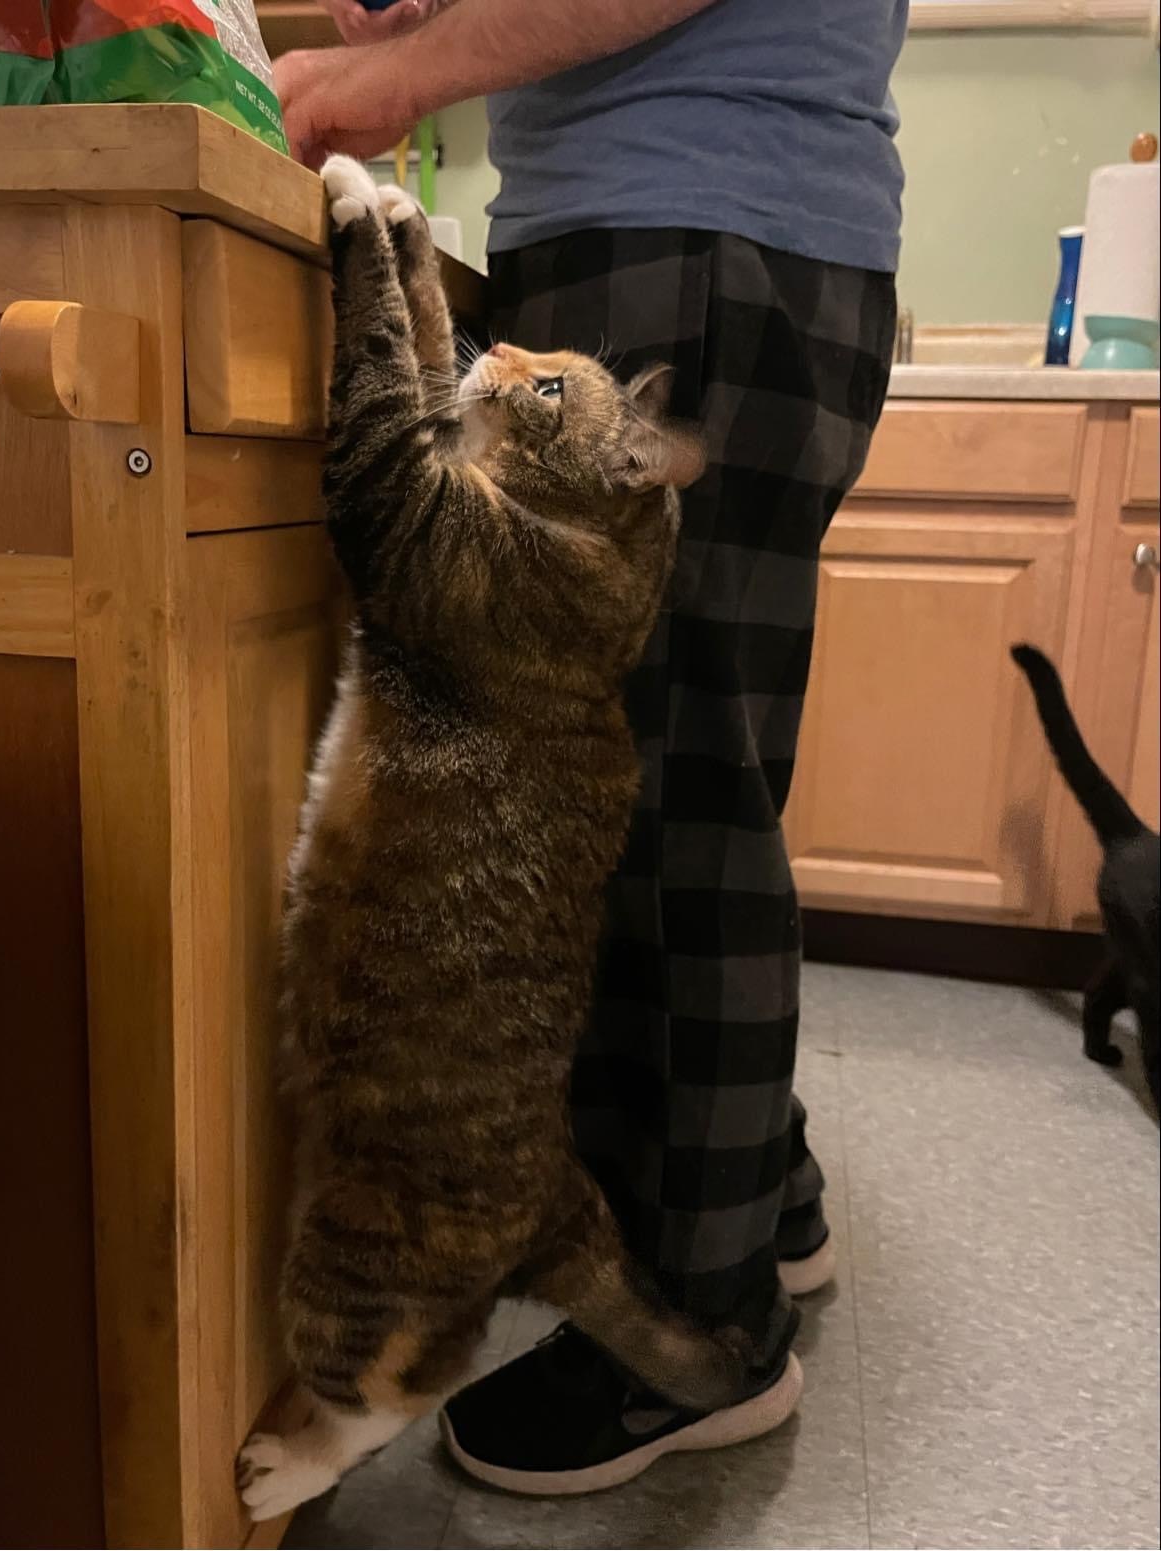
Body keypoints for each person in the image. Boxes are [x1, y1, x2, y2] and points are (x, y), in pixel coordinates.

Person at [273, 0, 905, 1495]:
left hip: (688, 228)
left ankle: (702, 1332)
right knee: (688, 777)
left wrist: (384, 75)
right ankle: (766, 1205)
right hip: (726, 234)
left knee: (676, 823)